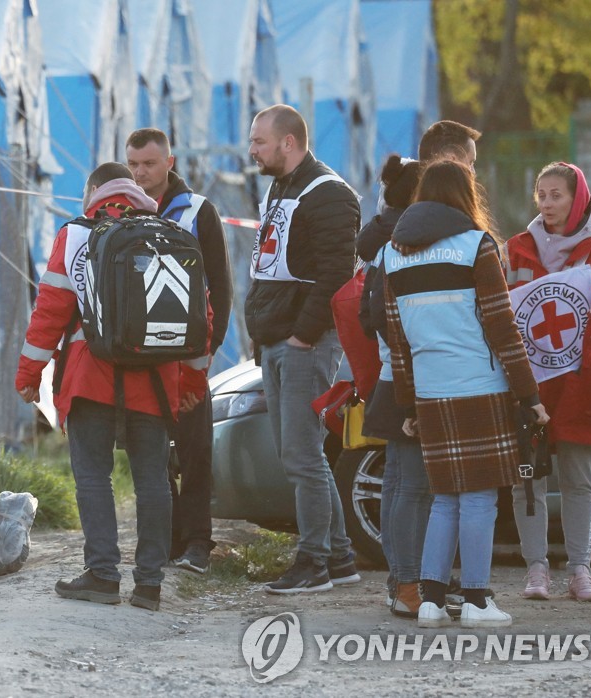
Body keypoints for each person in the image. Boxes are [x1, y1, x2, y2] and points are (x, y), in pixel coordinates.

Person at [15, 163, 210, 611]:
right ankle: (149, 583)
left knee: (93, 477)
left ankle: (102, 574)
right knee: (153, 480)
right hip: (157, 379)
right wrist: (192, 382)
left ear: (92, 194)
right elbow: (203, 318)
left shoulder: (76, 236)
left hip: (91, 376)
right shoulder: (170, 234)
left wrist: (29, 375)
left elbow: (50, 313)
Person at [383, 159, 549, 629]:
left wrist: (409, 404)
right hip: (479, 387)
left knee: (444, 498)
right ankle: (476, 600)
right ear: (464, 195)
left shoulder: (393, 255)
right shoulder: (475, 246)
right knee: (479, 500)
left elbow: (398, 339)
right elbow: (501, 325)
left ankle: (432, 600)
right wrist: (528, 393)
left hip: (432, 391)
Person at [245, 104, 361, 594]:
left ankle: (312, 561)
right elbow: (272, 266)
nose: (252, 150)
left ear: (288, 142)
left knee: (302, 455)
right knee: (296, 452)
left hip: (303, 342)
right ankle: (339, 558)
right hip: (279, 338)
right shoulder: (281, 187)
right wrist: (264, 333)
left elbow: (337, 272)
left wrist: (303, 334)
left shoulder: (329, 193)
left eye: (259, 142)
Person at [125, 128, 234, 574]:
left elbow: (220, 286)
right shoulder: (122, 210)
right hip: (139, 355)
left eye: (149, 164)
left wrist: (208, 353)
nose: (139, 173)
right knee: (149, 451)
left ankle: (197, 542)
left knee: (193, 450)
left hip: (187, 352)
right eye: (133, 164)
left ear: (170, 162)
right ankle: (164, 539)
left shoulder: (197, 211)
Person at [505, 162, 591, 602]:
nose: (546, 204)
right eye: (541, 195)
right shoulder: (516, 249)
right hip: (530, 385)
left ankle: (580, 568)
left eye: (556, 195)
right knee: (527, 478)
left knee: (578, 477)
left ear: (577, 198)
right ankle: (536, 568)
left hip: (580, 384)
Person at [356, 154, 428, 617]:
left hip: (390, 376)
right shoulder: (407, 244)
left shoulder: (382, 243)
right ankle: (407, 585)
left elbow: (368, 316)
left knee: (399, 484)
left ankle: (400, 581)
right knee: (413, 487)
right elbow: (380, 315)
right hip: (409, 379)